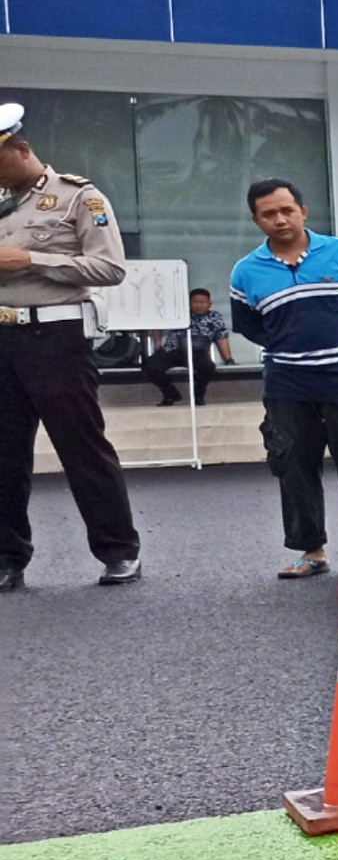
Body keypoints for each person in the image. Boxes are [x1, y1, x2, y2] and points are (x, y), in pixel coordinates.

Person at [0, 101, 141, 590]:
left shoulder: (80, 197)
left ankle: (119, 551)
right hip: (2, 338)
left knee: (81, 447)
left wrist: (30, 260)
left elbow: (110, 268)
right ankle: (7, 558)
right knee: (4, 454)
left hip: (55, 337)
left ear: (21, 148)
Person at [233, 178, 338, 579]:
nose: (280, 219)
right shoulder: (246, 271)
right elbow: (248, 325)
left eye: (287, 210)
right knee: (294, 466)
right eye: (269, 214)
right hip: (287, 384)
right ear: (256, 220)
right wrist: (291, 345)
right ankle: (311, 551)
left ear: (303, 212)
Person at [144, 289, 230, 405]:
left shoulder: (215, 317)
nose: (199, 305)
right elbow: (159, 321)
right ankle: (170, 394)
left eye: (202, 302)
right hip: (173, 350)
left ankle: (198, 396)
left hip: (198, 352)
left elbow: (222, 338)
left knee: (208, 367)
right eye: (195, 302)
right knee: (150, 366)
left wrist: (228, 359)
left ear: (209, 304)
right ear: (189, 303)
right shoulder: (180, 313)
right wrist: (158, 342)